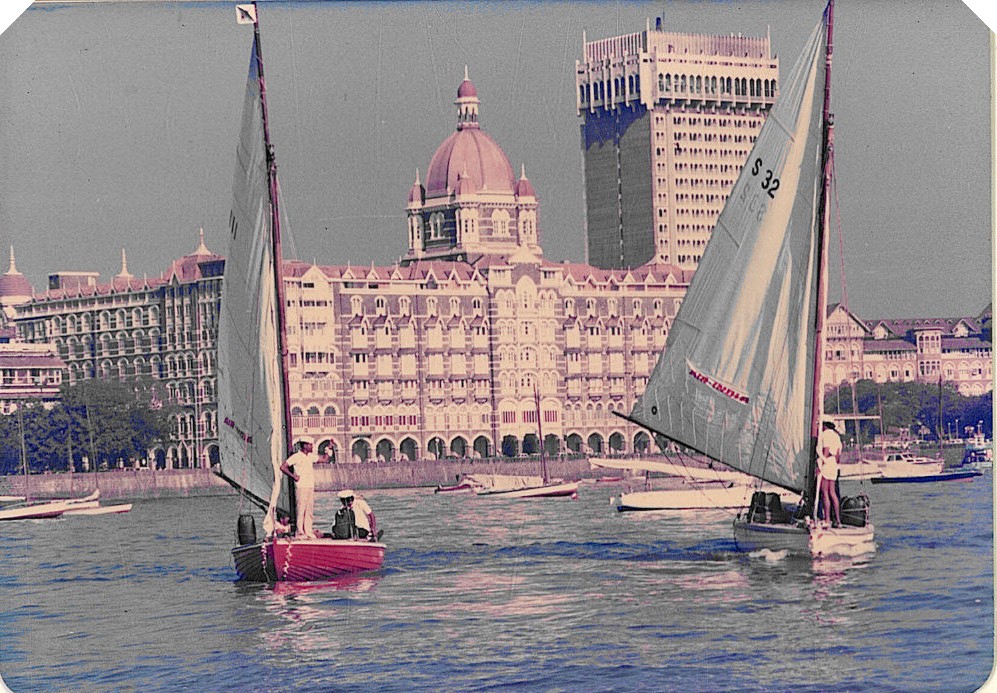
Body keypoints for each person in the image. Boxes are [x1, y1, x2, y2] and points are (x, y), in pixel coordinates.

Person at [280, 441, 328, 539]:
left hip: (310, 485)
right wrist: (294, 476)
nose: (312, 446)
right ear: (305, 446)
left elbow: (324, 460)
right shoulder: (296, 456)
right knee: (301, 509)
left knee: (309, 509)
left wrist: (329, 448)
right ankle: (300, 532)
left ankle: (308, 531)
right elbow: (283, 467)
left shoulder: (310, 456)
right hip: (301, 486)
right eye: (310, 445)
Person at [817, 418, 842, 528]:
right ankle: (838, 520)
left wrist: (820, 466)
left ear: (825, 425)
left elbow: (825, 451)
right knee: (833, 493)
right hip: (833, 465)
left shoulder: (825, 434)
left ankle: (827, 519)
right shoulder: (837, 436)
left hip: (826, 463)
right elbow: (838, 456)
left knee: (825, 493)